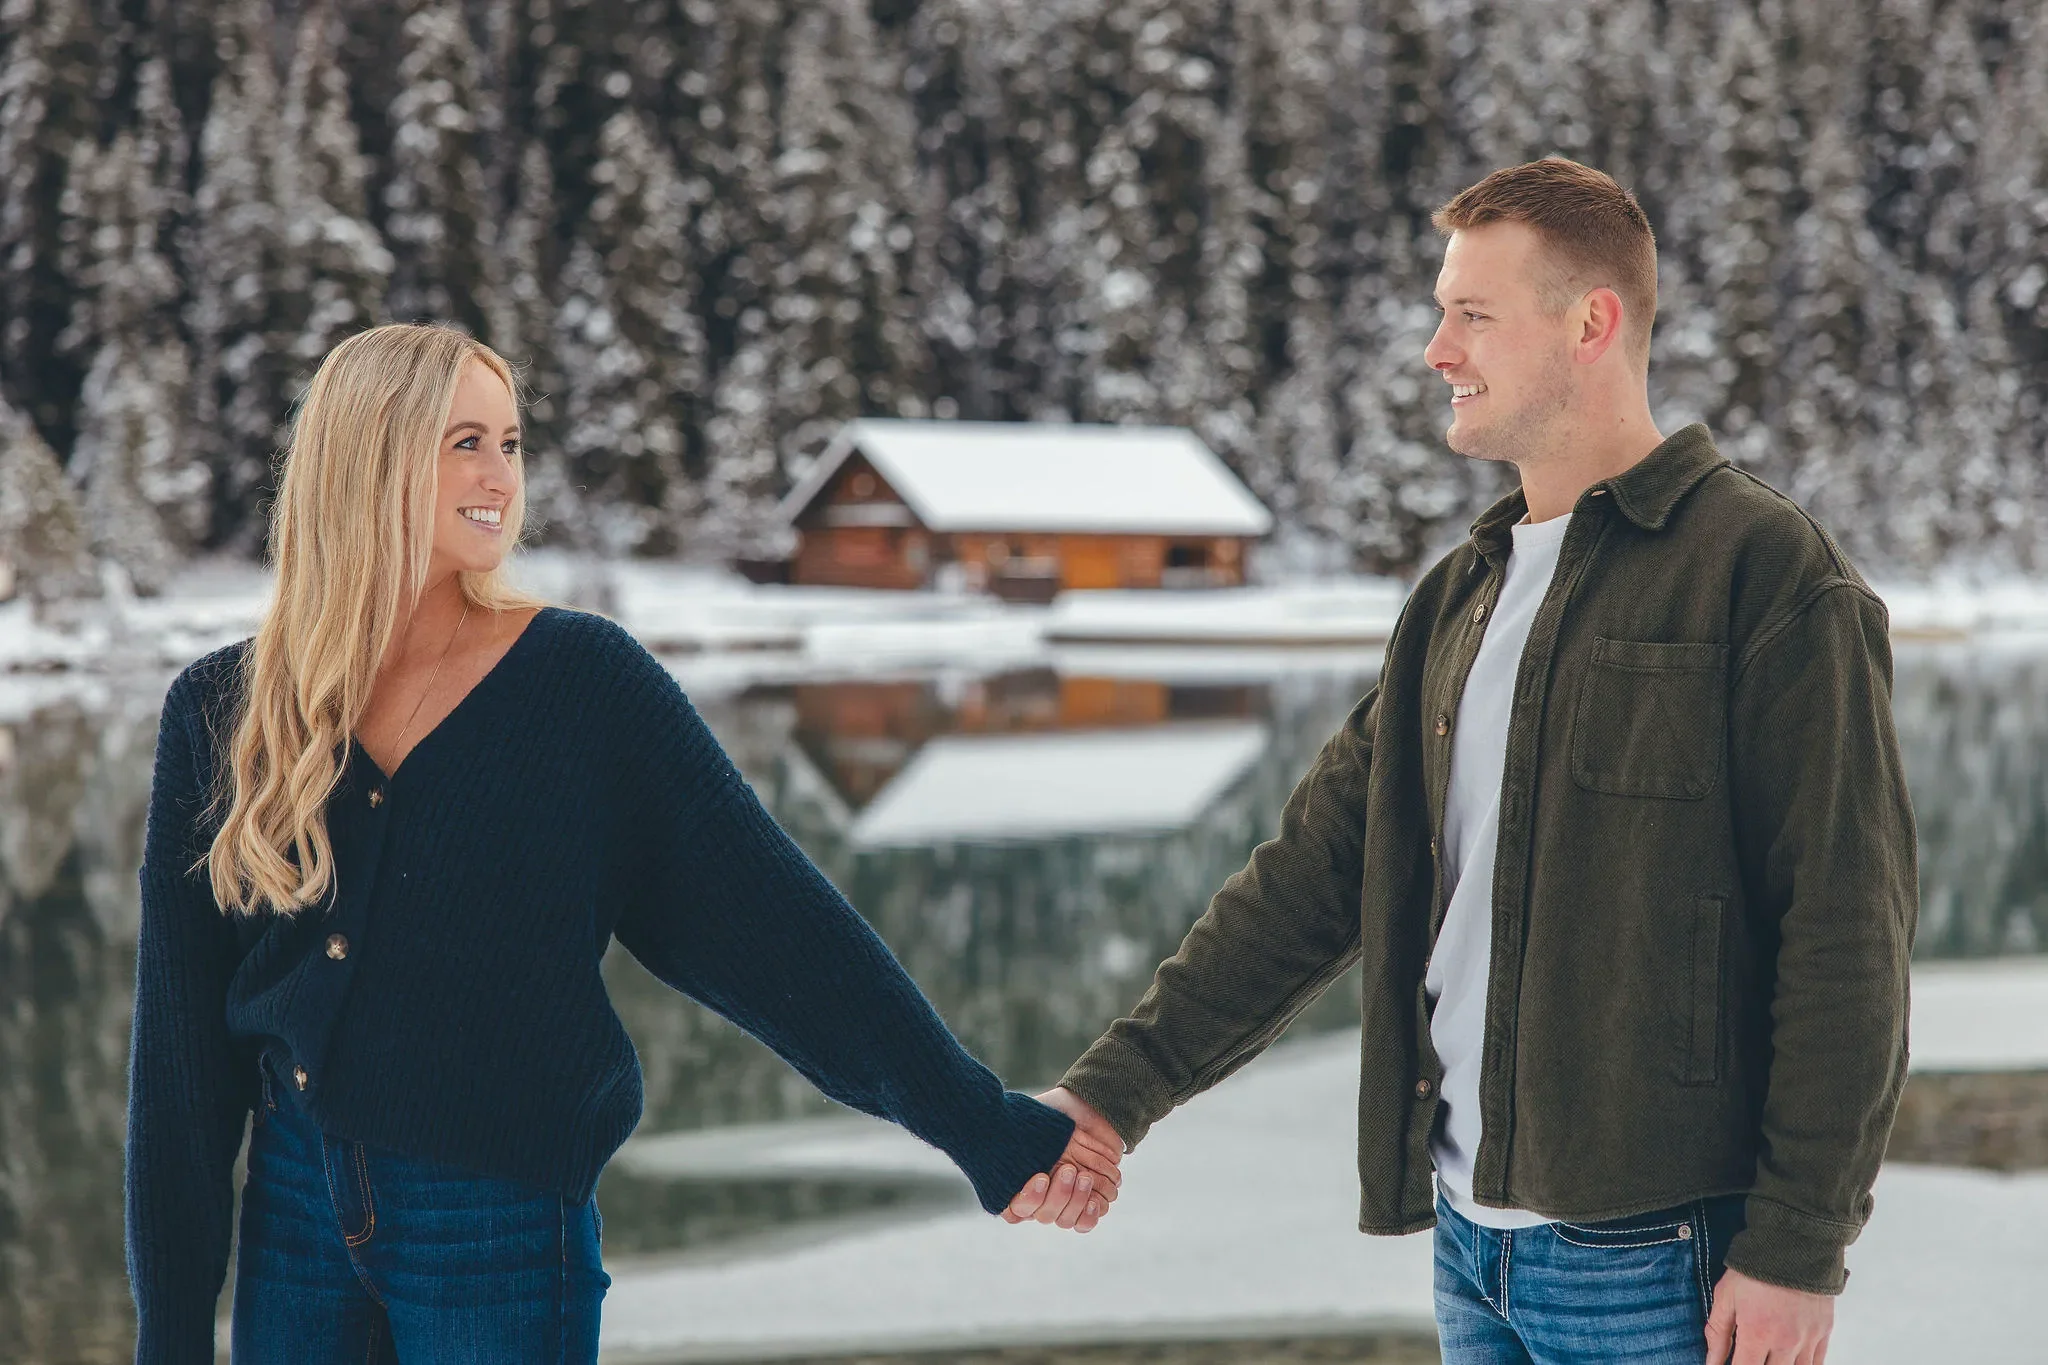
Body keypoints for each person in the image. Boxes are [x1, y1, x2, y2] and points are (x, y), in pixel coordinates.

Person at [1007, 158, 1917, 1365]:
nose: (1438, 349)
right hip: (1469, 1250)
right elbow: (1315, 875)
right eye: (1443, 312)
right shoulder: (1457, 597)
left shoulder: (1763, 573)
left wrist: (1798, 1245)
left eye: (1471, 315)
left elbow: (1846, 934)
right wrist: (1111, 1095)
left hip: (1659, 1258)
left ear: (1590, 322)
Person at [125, 322, 1119, 1365]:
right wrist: (171, 1337)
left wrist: (980, 1126)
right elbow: (180, 1073)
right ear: (367, 456)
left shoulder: (581, 685)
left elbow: (780, 937)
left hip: (500, 1227)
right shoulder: (222, 710)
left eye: (510, 443)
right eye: (462, 441)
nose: (497, 475)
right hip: (289, 1225)